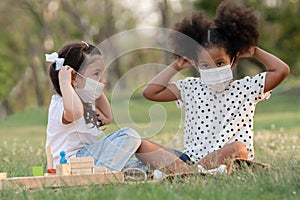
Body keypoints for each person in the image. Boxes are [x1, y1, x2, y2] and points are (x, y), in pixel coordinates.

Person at [143, 1, 290, 171]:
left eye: (220, 63)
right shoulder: (190, 88)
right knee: (142, 146)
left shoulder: (247, 88)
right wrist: (176, 65)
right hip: (190, 158)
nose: (213, 69)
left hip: (228, 158)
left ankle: (185, 173)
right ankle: (192, 171)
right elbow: (151, 92)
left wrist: (255, 51)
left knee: (238, 148)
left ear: (233, 61)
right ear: (196, 65)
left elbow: (282, 70)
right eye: (205, 65)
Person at [45, 41, 193, 175]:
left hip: (92, 161)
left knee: (145, 164)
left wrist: (96, 87)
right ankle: (101, 176)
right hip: (70, 164)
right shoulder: (61, 103)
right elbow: (74, 112)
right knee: (129, 135)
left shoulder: (85, 101)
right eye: (96, 74)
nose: (103, 79)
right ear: (73, 77)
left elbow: (108, 118)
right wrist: (65, 82)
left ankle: (183, 170)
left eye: (102, 73)